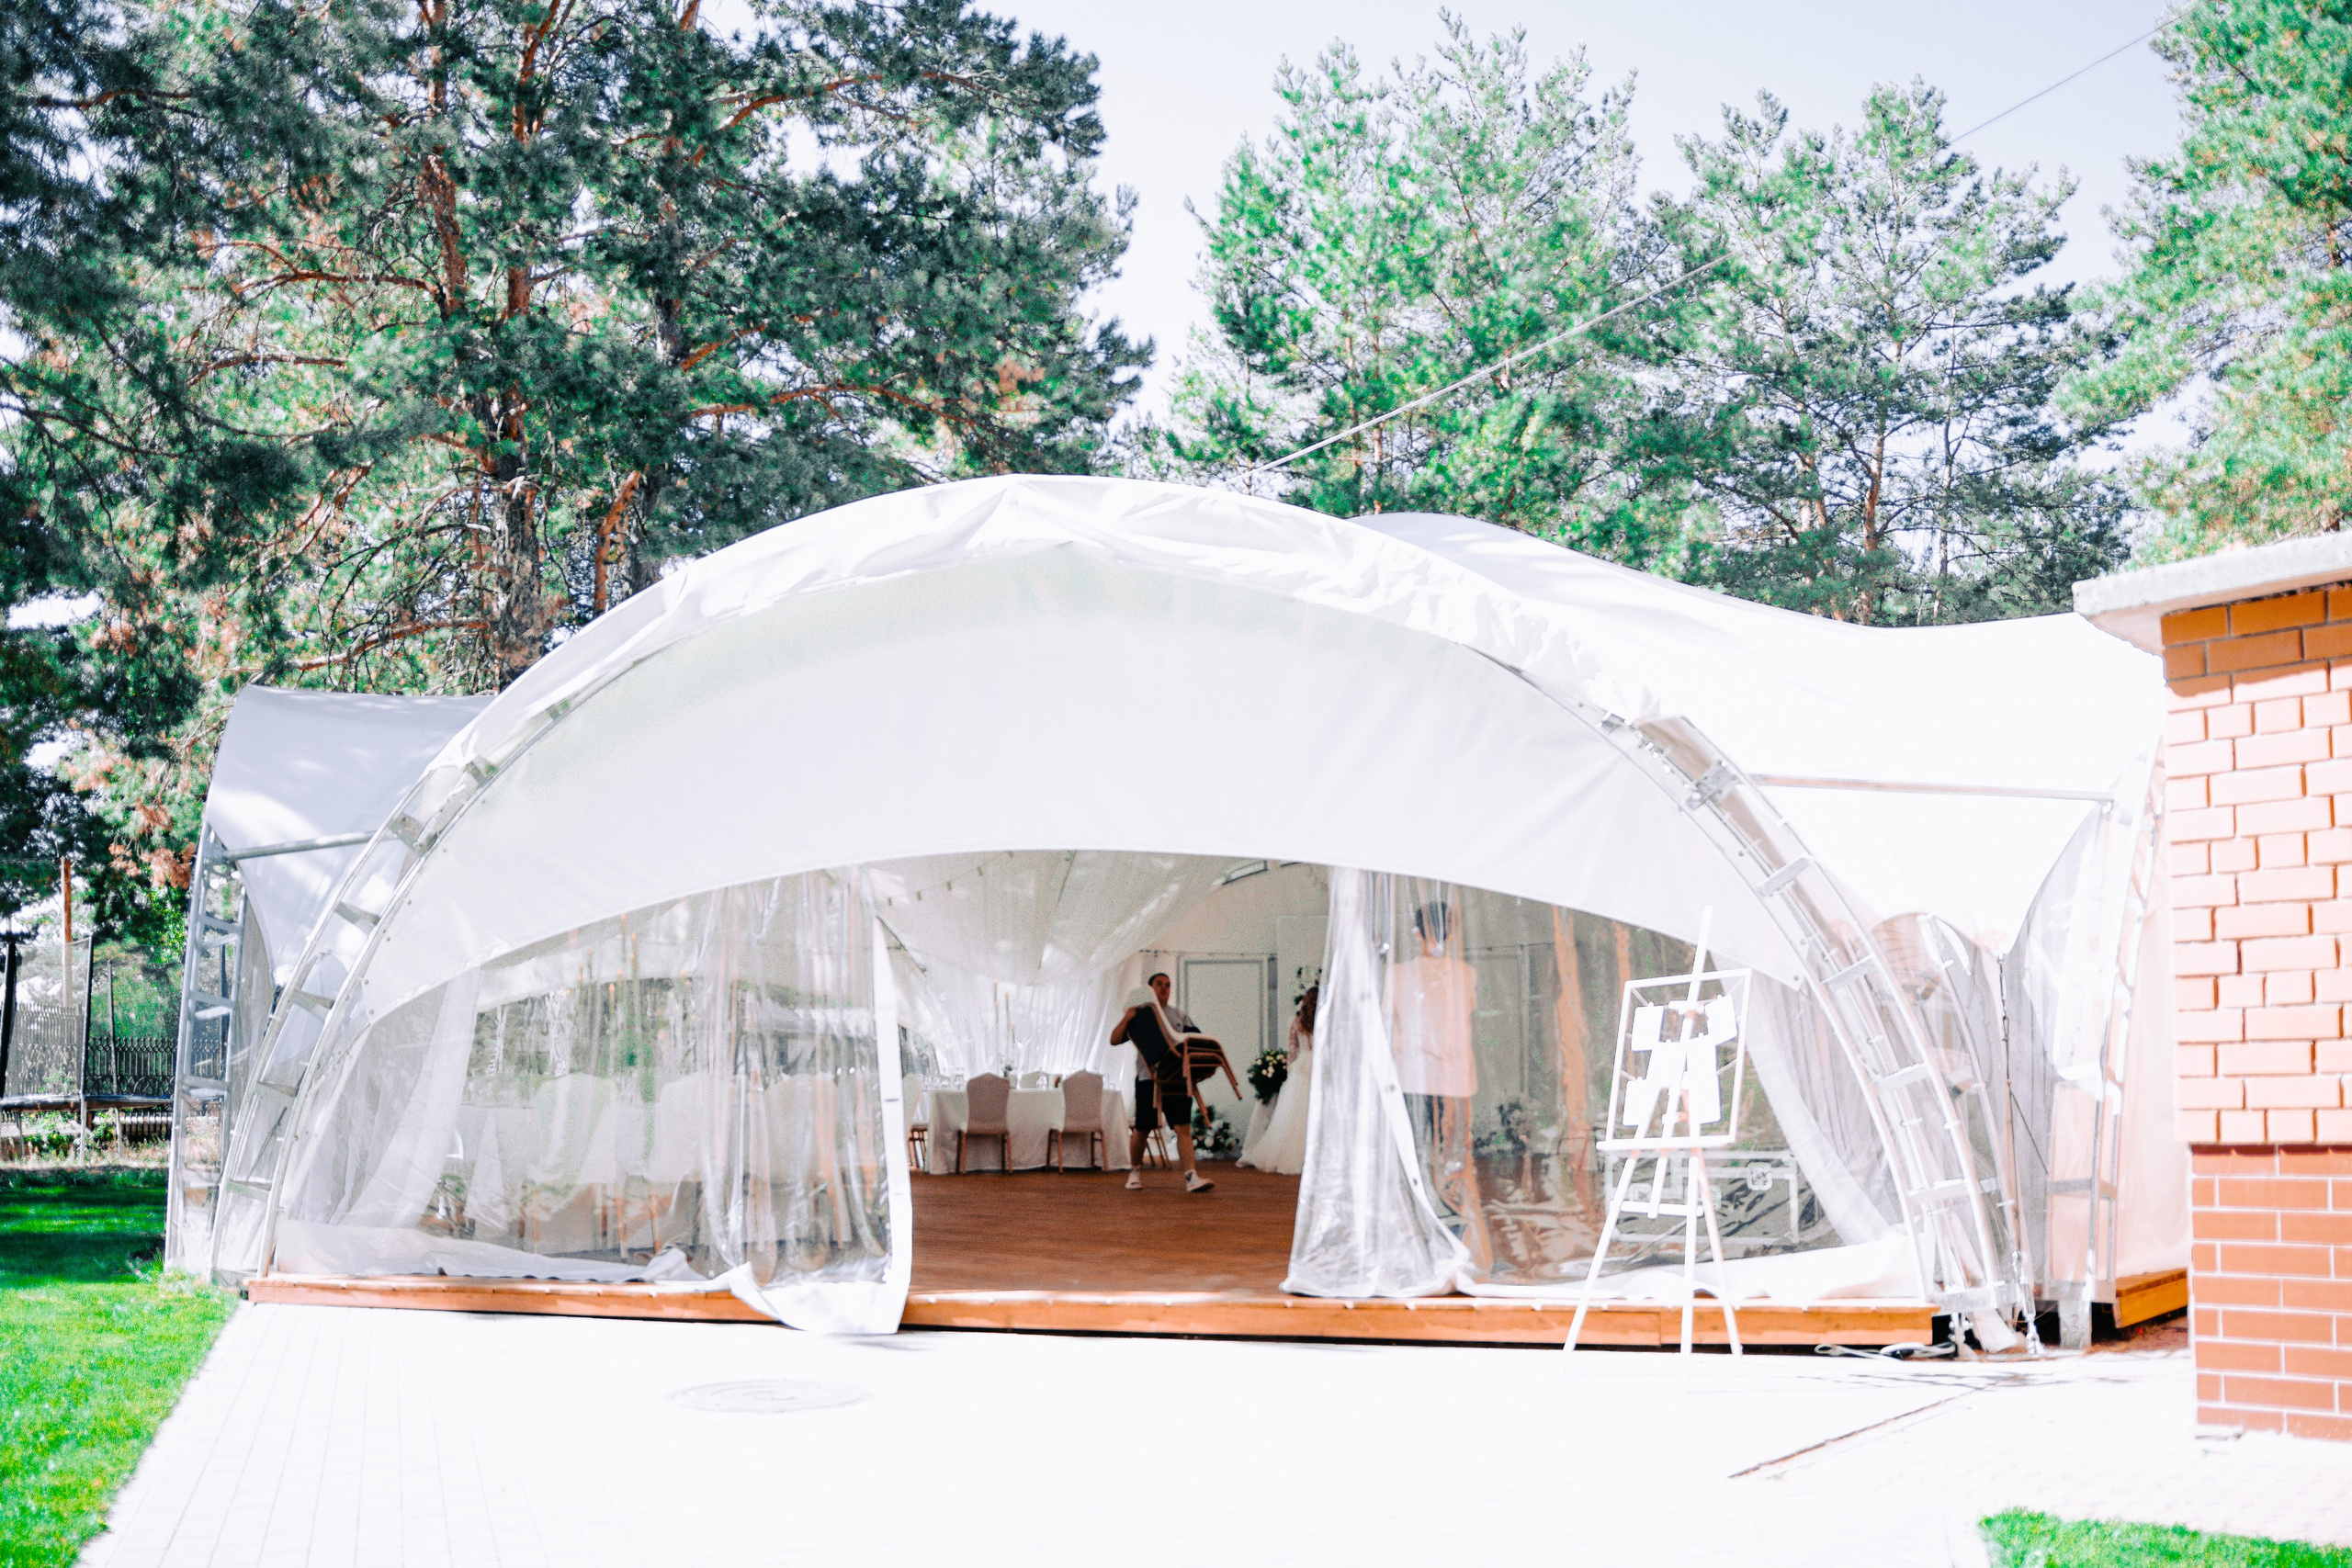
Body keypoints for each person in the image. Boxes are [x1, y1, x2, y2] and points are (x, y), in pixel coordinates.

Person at [1389, 901, 1494, 1271]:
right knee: (1447, 1153)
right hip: (1451, 1076)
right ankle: (1448, 1221)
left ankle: (1420, 1222)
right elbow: (1466, 1015)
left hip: (1415, 1073)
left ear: (1416, 932)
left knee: (1417, 1151)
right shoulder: (1465, 973)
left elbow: (1393, 1022)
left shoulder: (1398, 975)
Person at [1112, 972, 1233, 1193]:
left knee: (1182, 1126)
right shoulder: (1139, 1016)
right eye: (1159, 984)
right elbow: (1114, 1039)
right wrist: (1127, 1018)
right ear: (1149, 988)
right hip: (1148, 1078)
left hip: (1178, 1077)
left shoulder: (1178, 1015)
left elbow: (1196, 1040)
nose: (1164, 989)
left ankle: (1191, 1176)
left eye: (1168, 985)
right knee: (1142, 1128)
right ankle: (1134, 1172)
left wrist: (1204, 1066)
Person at [1239, 985, 1316, 1175]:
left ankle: (1289, 1155)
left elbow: (1292, 1049)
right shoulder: (1326, 1021)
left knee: (1293, 1115)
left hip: (1300, 1066)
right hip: (1318, 1065)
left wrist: (1292, 1070)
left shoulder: (1296, 1022)